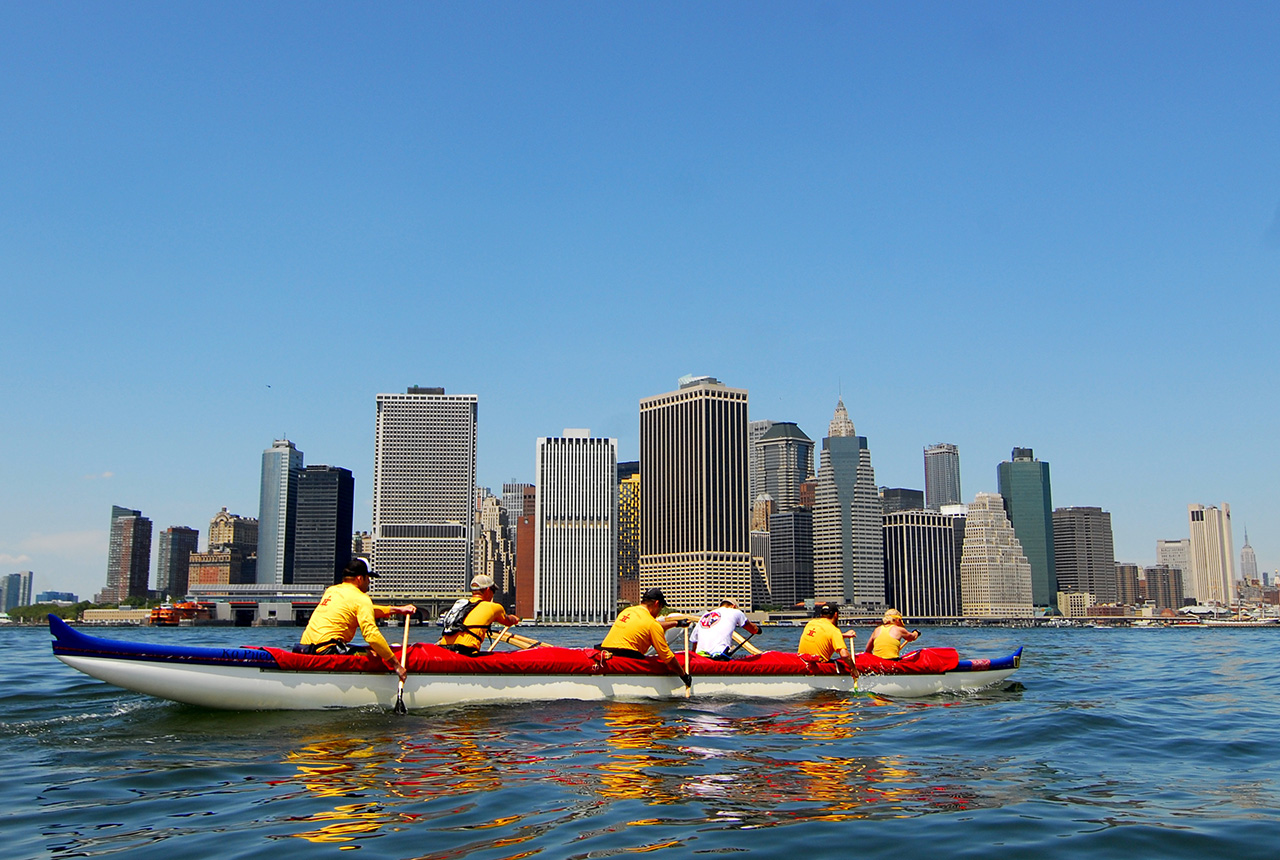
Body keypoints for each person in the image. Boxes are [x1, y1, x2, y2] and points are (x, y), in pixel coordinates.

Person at [297, 558, 417, 680]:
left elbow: (363, 610)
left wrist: (398, 610)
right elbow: (371, 635)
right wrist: (396, 664)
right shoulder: (361, 598)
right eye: (368, 578)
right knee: (376, 655)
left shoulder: (332, 591)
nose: (369, 581)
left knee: (367, 650)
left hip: (304, 648)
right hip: (328, 651)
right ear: (360, 578)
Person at [600, 587, 692, 685]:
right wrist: (684, 675)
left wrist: (677, 623)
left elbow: (650, 626)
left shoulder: (627, 611)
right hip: (624, 658)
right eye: (661, 608)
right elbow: (667, 657)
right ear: (657, 604)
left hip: (604, 651)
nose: (659, 612)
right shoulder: (651, 624)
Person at [437, 574, 521, 656]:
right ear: (488, 590)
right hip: (466, 652)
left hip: (443, 649)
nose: (493, 595)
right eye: (493, 591)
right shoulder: (494, 607)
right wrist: (515, 619)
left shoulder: (461, 604)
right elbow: (508, 621)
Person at [690, 598, 761, 659]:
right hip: (719, 655)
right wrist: (758, 630)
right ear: (734, 606)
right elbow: (752, 628)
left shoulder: (705, 616)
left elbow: (694, 642)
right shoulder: (736, 612)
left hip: (700, 655)